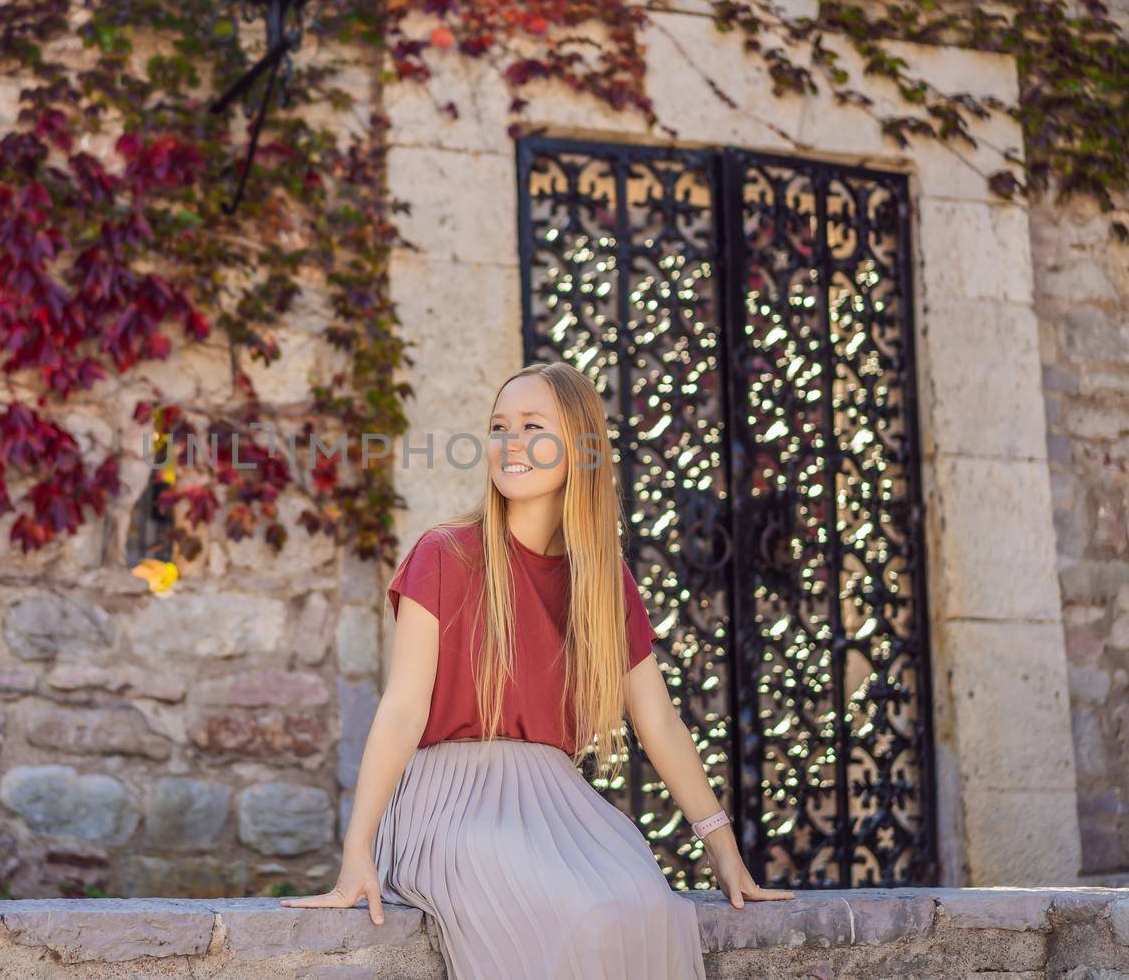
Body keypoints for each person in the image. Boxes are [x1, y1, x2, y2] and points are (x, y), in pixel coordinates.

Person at [280, 360, 794, 978]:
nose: (510, 443)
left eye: (531, 426)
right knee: (585, 915)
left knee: (649, 907)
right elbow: (402, 709)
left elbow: (658, 721)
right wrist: (357, 849)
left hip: (555, 801)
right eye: (499, 427)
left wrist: (722, 848)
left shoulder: (604, 583)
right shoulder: (443, 554)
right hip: (446, 803)